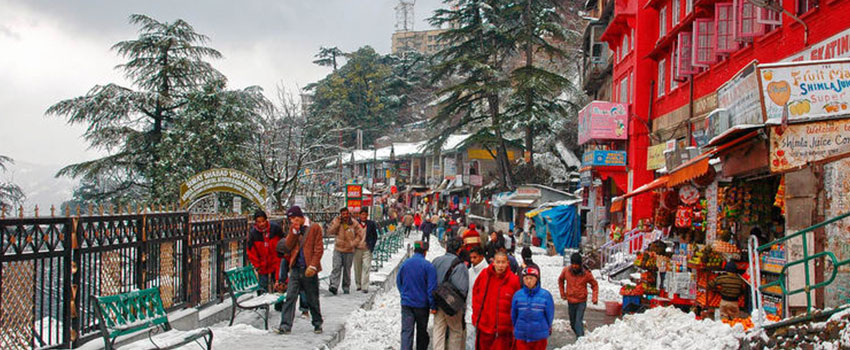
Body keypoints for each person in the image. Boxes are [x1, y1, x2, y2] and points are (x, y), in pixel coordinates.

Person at [277, 206, 324, 335]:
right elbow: (288, 246)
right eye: (291, 219)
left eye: (295, 218)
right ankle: (285, 325)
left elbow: (318, 249)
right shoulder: (293, 229)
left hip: (309, 269)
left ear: (301, 217)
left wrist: (313, 266)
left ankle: (317, 322)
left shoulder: (314, 228)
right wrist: (293, 232)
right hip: (296, 268)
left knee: (312, 298)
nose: (293, 221)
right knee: (290, 296)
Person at [471, 252, 521, 350]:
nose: (500, 265)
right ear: (493, 262)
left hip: (503, 331)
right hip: (484, 327)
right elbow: (475, 292)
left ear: (507, 263)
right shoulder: (485, 275)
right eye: (498, 262)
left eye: (503, 262)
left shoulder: (514, 280)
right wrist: (477, 313)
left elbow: (517, 304)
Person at [397, 241, 437, 350]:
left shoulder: (405, 264)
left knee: (406, 331)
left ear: (414, 250)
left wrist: (404, 294)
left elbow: (398, 281)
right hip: (422, 306)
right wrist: (432, 305)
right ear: (425, 252)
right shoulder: (428, 266)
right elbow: (431, 289)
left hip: (407, 304)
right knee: (421, 332)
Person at [431, 237, 469, 350]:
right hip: (451, 304)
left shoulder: (436, 260)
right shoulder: (460, 265)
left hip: (438, 301)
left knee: (438, 329)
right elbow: (462, 288)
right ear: (459, 250)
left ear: (447, 248)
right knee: (455, 330)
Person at [511, 266, 555, 350]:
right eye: (526, 278)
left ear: (536, 279)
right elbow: (514, 315)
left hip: (539, 336)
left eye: (531, 278)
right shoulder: (517, 295)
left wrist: (547, 327)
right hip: (522, 335)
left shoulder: (545, 295)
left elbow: (549, 315)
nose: (528, 281)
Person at [557, 252, 598, 338]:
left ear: (580, 264)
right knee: (572, 324)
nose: (575, 266)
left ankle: (581, 340)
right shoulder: (566, 271)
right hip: (570, 301)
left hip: (581, 301)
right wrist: (562, 293)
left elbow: (594, 285)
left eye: (576, 264)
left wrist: (594, 297)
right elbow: (560, 280)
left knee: (578, 322)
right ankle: (580, 336)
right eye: (573, 264)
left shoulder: (586, 273)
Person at [327, 207, 365, 295]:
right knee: (336, 267)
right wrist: (337, 223)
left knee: (347, 269)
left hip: (349, 250)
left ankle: (346, 286)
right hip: (338, 248)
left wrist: (354, 243)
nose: (345, 216)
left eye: (346, 214)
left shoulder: (354, 223)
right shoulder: (337, 221)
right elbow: (330, 231)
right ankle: (334, 285)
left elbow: (360, 234)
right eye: (343, 214)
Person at [247, 210, 285, 294]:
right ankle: (262, 306)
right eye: (259, 222)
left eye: (263, 221)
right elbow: (251, 251)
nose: (261, 224)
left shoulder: (275, 229)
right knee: (262, 286)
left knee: (278, 285)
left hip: (276, 262)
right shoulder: (253, 233)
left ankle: (279, 306)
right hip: (262, 264)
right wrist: (257, 265)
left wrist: (282, 258)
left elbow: (283, 243)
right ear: (256, 222)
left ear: (266, 220)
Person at [465, 246, 489, 350]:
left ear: (481, 257)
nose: (472, 260)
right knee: (470, 340)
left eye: (475, 257)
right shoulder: (470, 271)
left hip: (484, 313)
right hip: (470, 311)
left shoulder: (488, 271)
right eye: (471, 257)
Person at [354, 208, 378, 293]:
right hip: (357, 249)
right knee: (358, 268)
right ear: (359, 215)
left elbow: (375, 236)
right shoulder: (355, 224)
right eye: (362, 214)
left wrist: (371, 246)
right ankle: (358, 284)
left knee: (366, 267)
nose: (363, 216)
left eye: (365, 215)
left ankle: (365, 286)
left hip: (367, 249)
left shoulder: (371, 224)